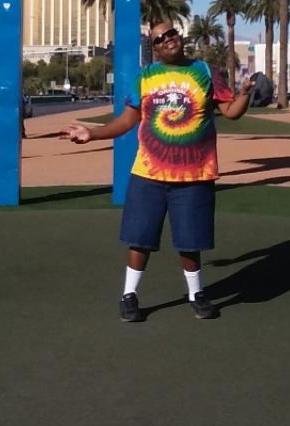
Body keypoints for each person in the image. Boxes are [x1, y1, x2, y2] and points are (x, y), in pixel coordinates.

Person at [65, 19, 255, 323]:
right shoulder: (145, 78)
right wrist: (93, 133)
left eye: (171, 33)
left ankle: (197, 295)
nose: (168, 39)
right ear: (154, 49)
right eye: (159, 38)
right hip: (149, 174)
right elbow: (127, 121)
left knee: (190, 242)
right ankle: (129, 296)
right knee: (140, 239)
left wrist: (245, 93)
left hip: (194, 175)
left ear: (179, 36)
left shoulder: (205, 72)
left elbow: (231, 111)